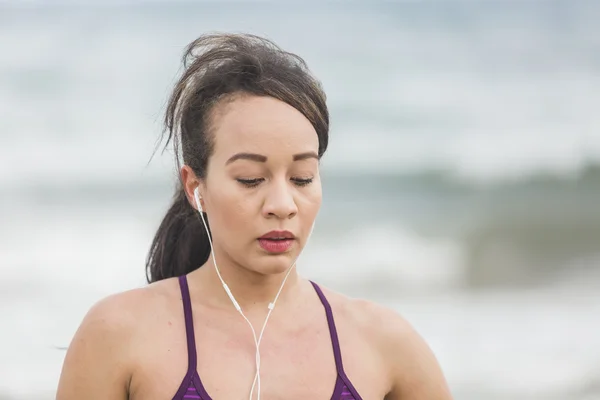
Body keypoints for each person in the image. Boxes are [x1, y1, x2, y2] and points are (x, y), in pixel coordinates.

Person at [56, 33, 453, 400]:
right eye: (250, 179)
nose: (282, 204)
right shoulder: (119, 335)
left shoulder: (384, 344)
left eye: (302, 178)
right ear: (196, 187)